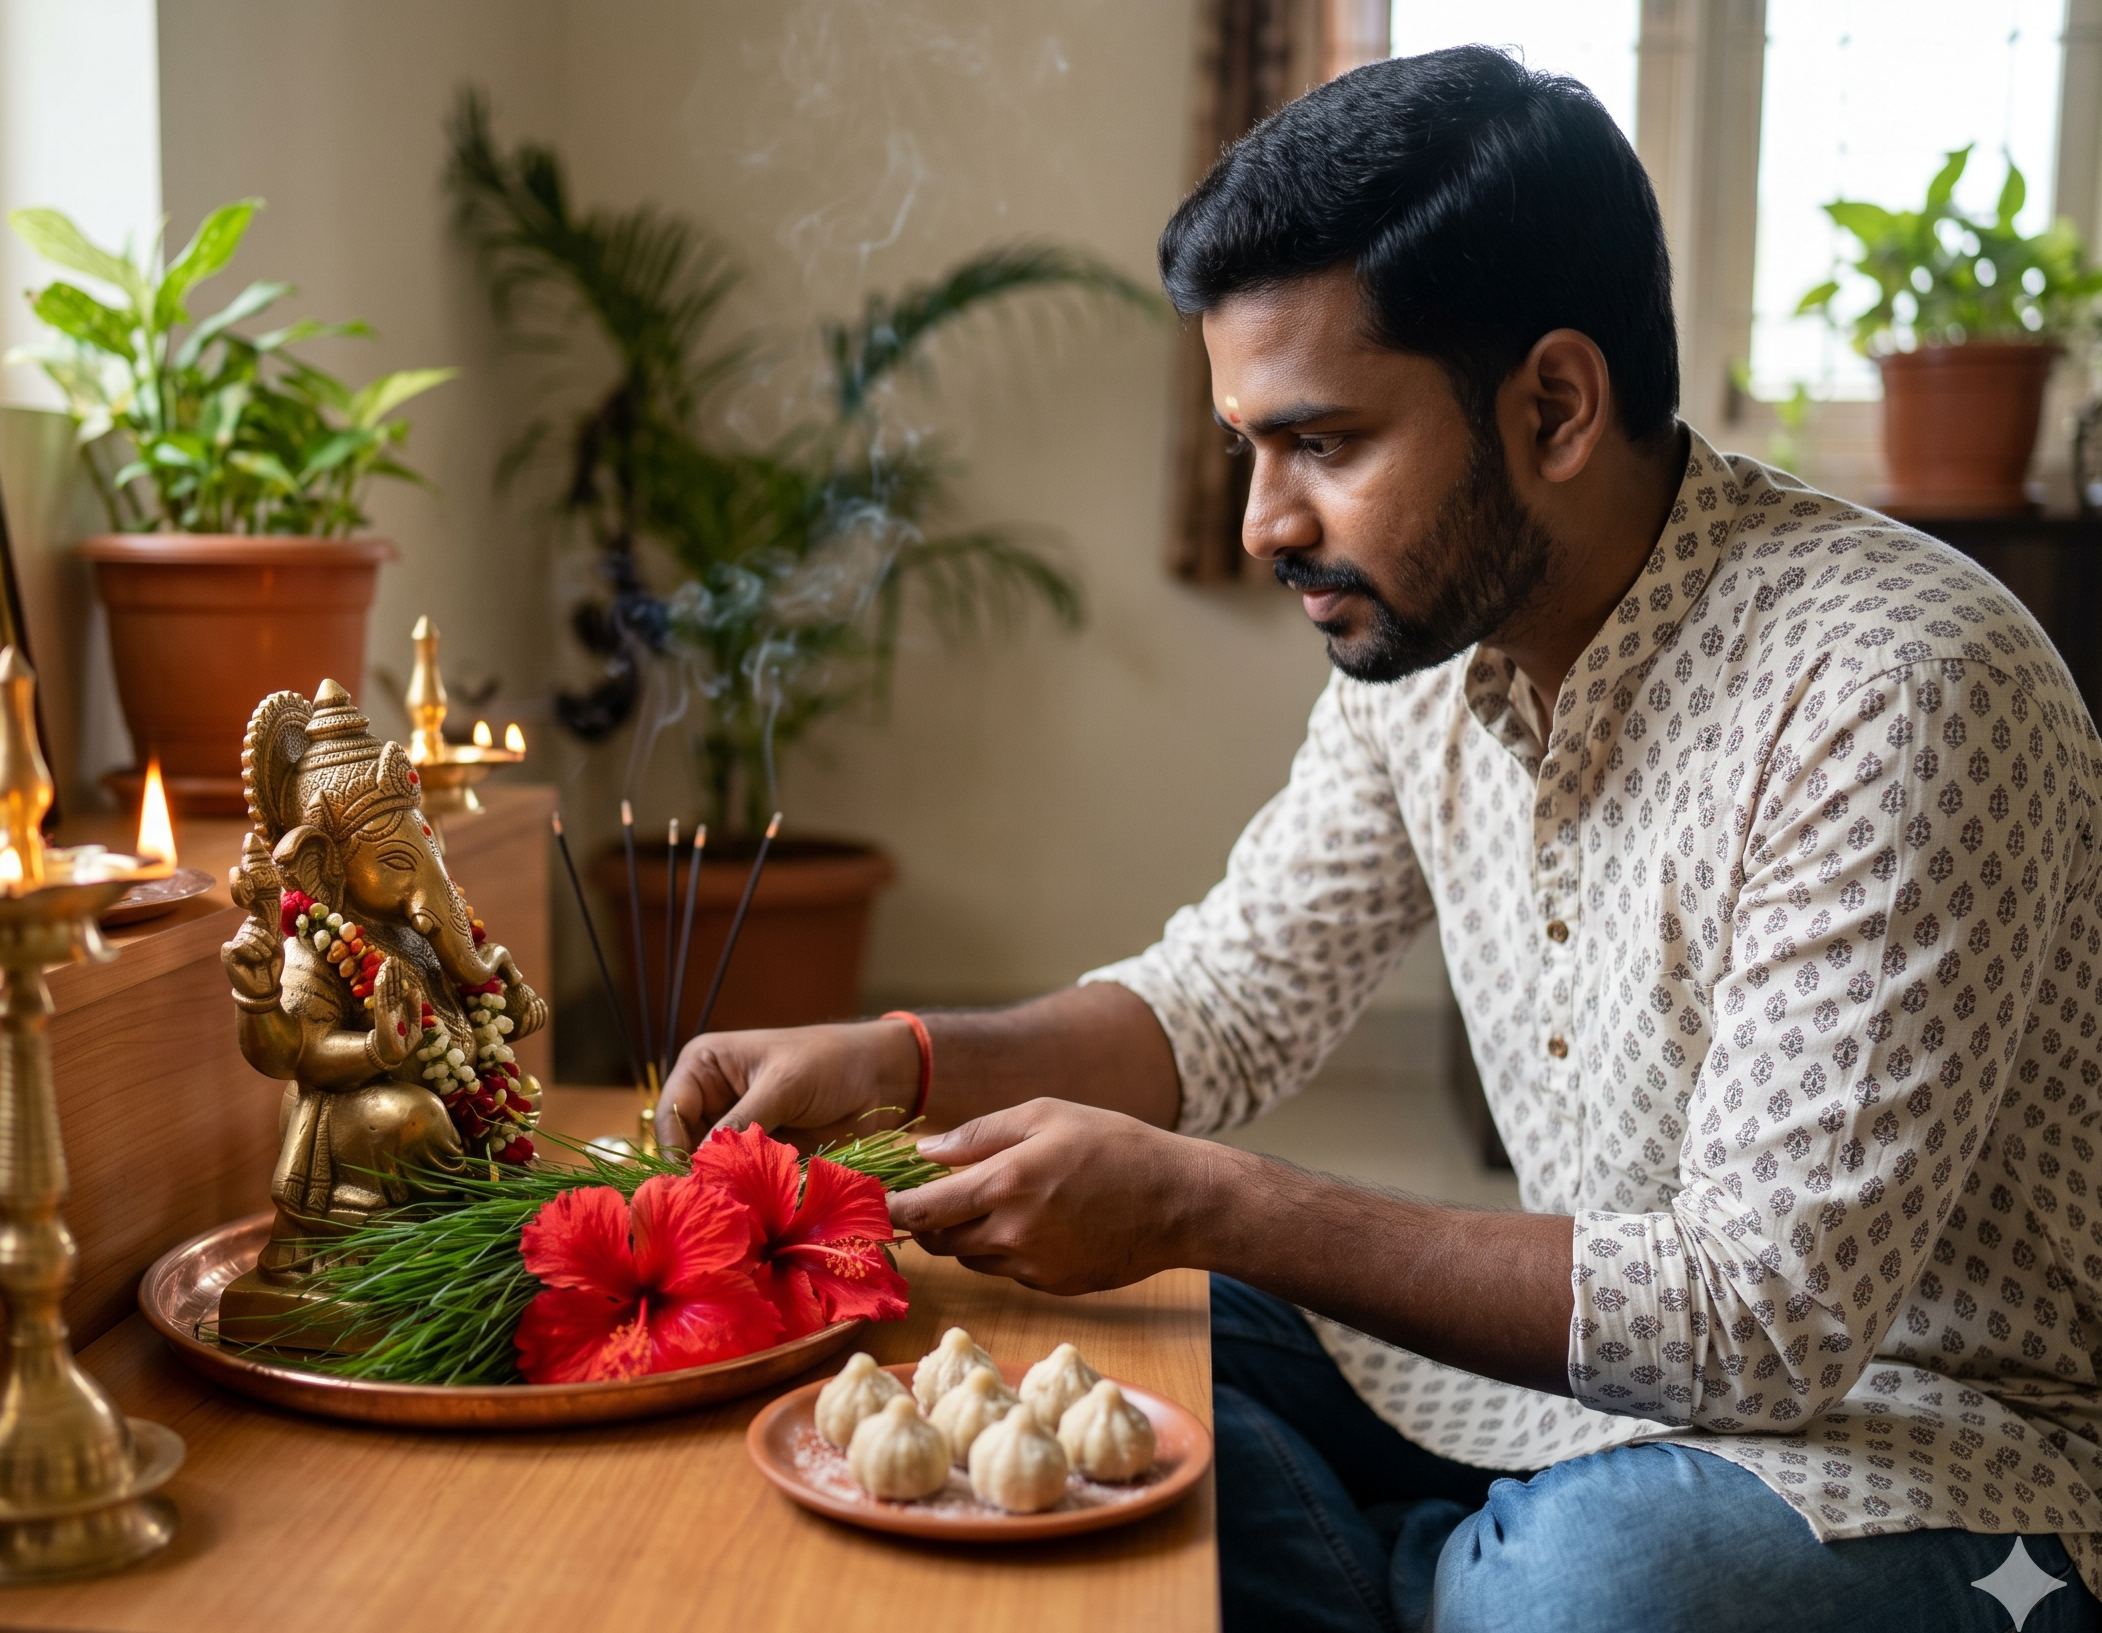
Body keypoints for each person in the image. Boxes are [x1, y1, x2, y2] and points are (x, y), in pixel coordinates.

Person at [657, 45, 2102, 1633]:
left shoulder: (1893, 682)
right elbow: (1218, 1003)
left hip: (1946, 1457)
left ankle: (1415, 1577)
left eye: (1324, 443)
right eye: (1246, 448)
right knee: (1040, 1318)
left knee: (1589, 1591)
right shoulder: (1429, 648)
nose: (1263, 523)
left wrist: (1207, 1200)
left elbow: (1758, 1324)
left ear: (1553, 404)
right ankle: (1415, 1574)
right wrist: (893, 1056)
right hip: (1566, 1404)